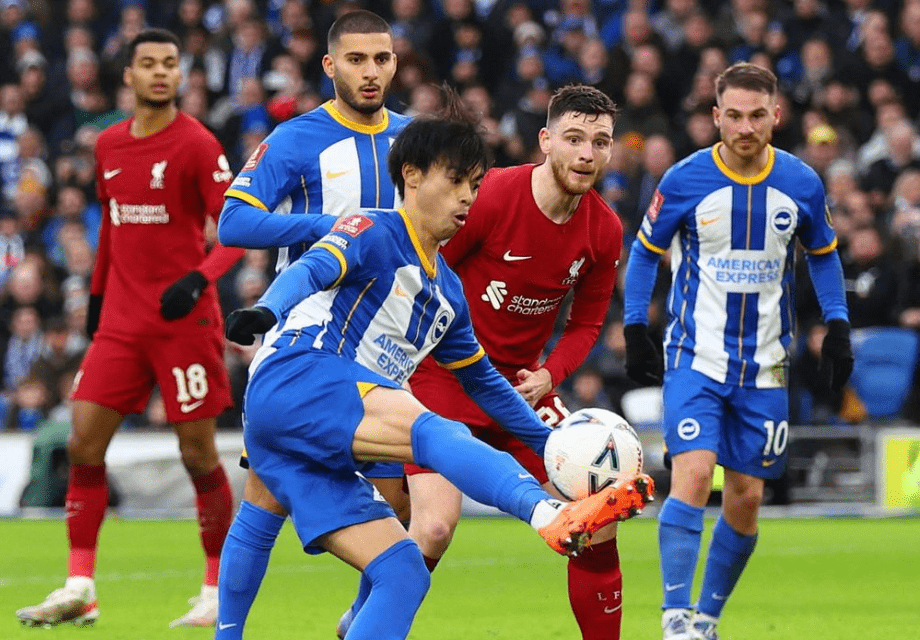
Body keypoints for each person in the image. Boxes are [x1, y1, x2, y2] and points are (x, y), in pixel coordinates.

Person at [222, 97, 654, 640]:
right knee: (434, 466)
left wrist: (548, 441)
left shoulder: (447, 293)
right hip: (304, 377)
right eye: (458, 184)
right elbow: (314, 268)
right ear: (412, 176)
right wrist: (266, 309)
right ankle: (544, 514)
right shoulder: (374, 228)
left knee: (399, 571)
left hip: (365, 404)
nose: (469, 197)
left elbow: (485, 380)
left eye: (473, 184)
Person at [378, 84, 636, 640]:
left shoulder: (604, 229)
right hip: (443, 379)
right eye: (574, 138)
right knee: (435, 529)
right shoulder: (492, 195)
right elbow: (426, 268)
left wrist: (549, 374)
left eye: (600, 141)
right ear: (546, 141)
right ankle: (366, 622)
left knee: (597, 518)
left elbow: (587, 323)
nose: (587, 153)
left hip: (522, 391)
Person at [15, 28, 244, 629]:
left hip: (183, 326)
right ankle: (81, 586)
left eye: (171, 63)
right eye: (150, 64)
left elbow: (239, 226)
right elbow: (114, 229)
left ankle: (218, 587)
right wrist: (94, 303)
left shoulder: (196, 143)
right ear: (129, 75)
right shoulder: (111, 143)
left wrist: (200, 279)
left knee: (197, 454)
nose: (162, 73)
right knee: (84, 445)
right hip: (121, 322)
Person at [622, 62, 853, 640]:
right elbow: (646, 252)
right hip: (694, 356)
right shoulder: (683, 180)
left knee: (746, 497)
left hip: (766, 367)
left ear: (775, 115)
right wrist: (633, 327)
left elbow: (823, 254)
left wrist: (840, 324)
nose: (745, 127)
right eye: (734, 116)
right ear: (715, 116)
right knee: (694, 476)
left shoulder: (801, 182)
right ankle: (675, 618)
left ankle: (706, 619)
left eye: (757, 116)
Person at [212, 11, 413, 637]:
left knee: (398, 502)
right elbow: (234, 221)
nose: (371, 71)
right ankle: (229, 633)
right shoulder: (298, 139)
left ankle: (357, 620)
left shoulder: (415, 140)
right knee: (265, 498)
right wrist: (329, 226)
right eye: (357, 59)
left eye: (381, 58)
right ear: (330, 66)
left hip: (389, 344)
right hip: (306, 338)